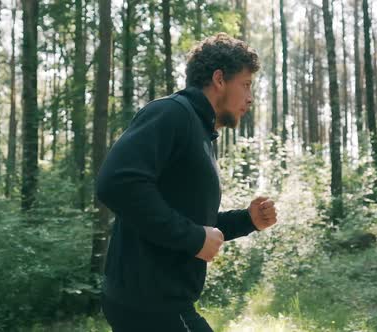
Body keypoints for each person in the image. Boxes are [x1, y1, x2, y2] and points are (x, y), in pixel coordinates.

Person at [96, 33, 278, 332]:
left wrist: (248, 220)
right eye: (245, 84)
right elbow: (116, 183)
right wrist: (193, 238)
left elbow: (189, 221)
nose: (250, 97)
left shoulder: (199, 133)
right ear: (219, 79)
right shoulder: (171, 113)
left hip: (155, 303)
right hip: (153, 305)